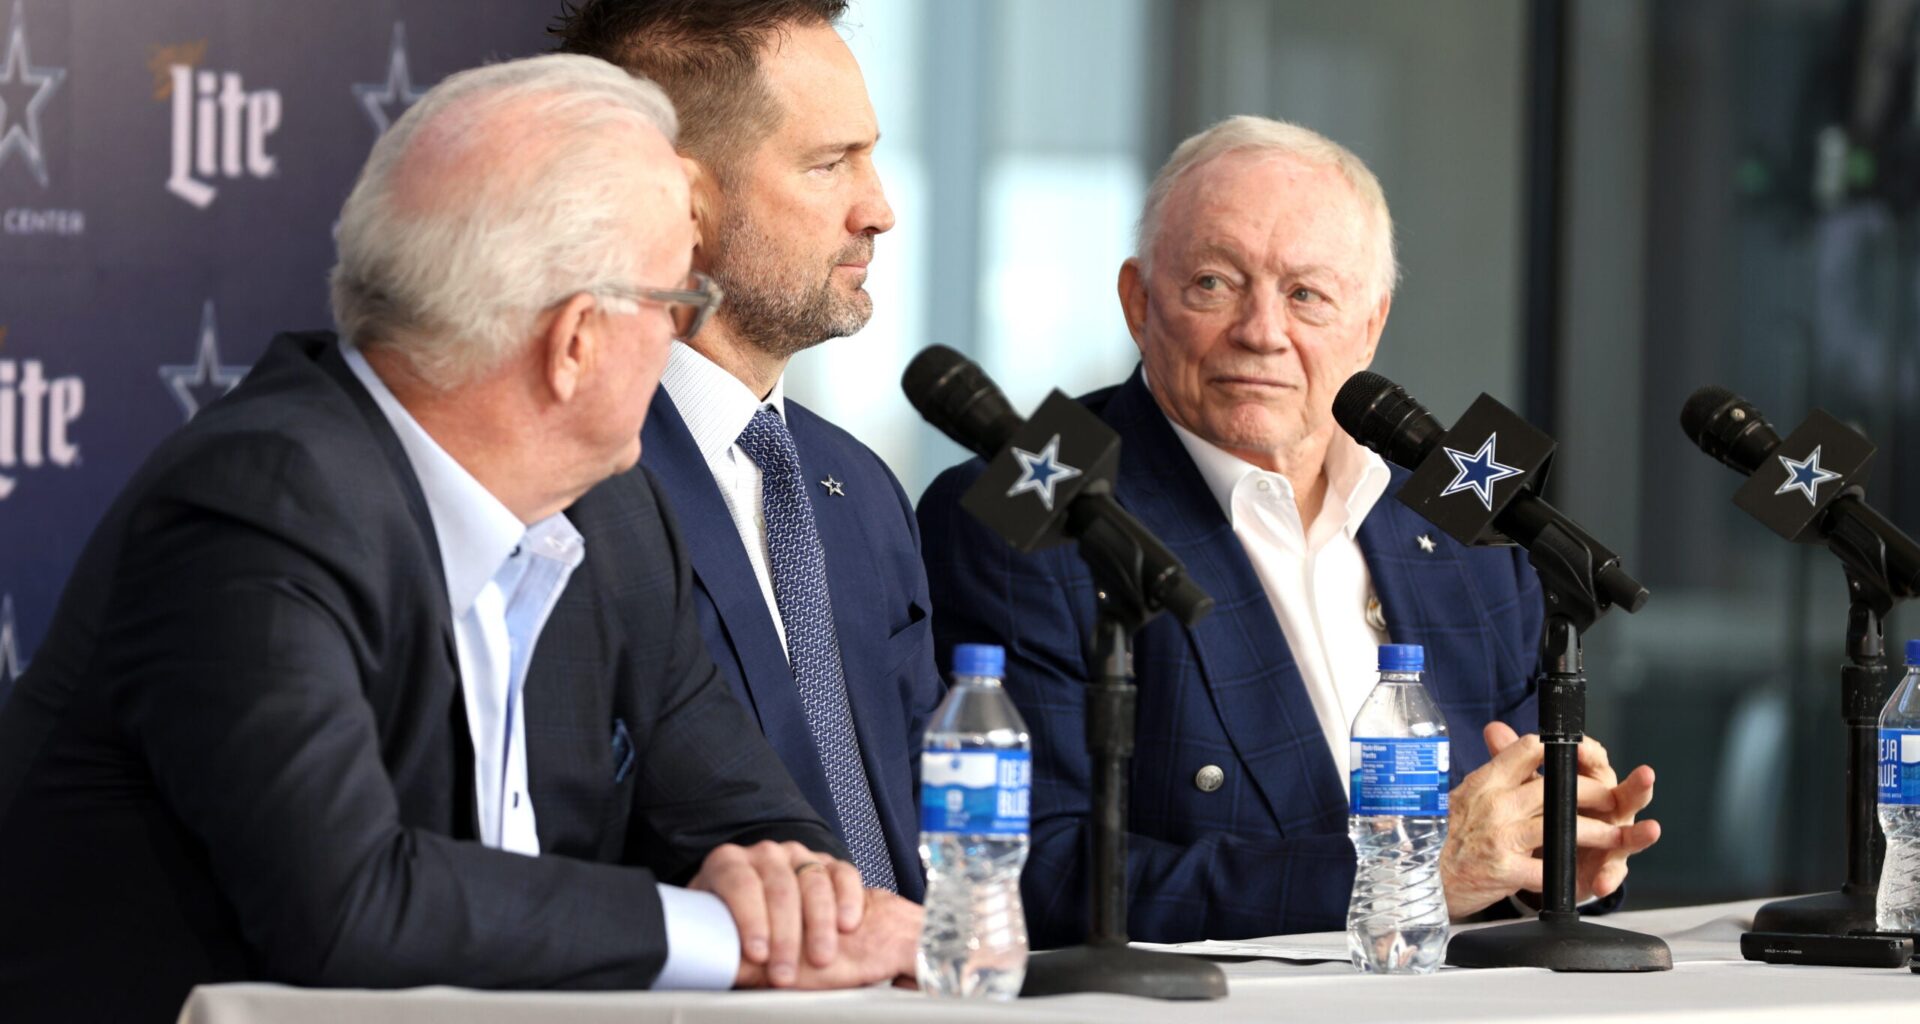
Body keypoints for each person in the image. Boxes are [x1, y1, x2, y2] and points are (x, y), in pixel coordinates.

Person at [0, 54, 914, 1022]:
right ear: (576, 342)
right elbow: (350, 908)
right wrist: (721, 934)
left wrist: (799, 901)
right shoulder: (262, 506)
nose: (679, 339)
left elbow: (759, 823)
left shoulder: (618, 520)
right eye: (676, 303)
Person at [917, 116, 1662, 946]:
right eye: (1213, 283)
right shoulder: (1016, 505)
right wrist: (1407, 878)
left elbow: (1495, 845)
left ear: (1371, 324)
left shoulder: (1461, 517)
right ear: (1138, 300)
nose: (1262, 331)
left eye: (1306, 294)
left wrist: (1549, 863)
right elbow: (1032, 873)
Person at [553, 1, 942, 899]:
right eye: (829, 163)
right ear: (683, 201)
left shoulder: (865, 489)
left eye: (872, 156)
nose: (879, 209)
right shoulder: (568, 482)